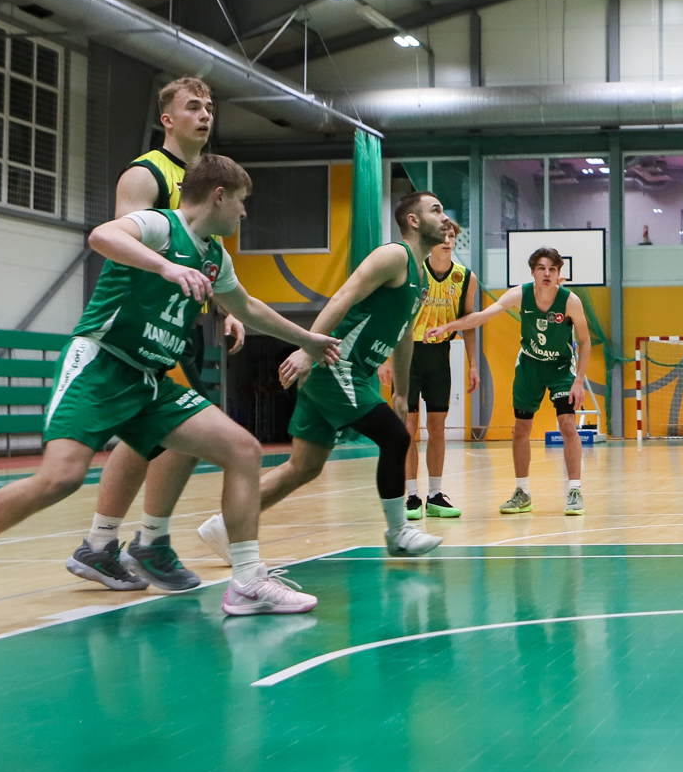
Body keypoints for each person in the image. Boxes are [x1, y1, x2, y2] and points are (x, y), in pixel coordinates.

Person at [0, 156, 335, 626]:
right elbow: (102, 236)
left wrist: (307, 339)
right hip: (100, 364)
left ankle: (248, 582)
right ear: (218, 195)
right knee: (61, 478)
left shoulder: (214, 256)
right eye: (241, 201)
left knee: (243, 450)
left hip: (148, 380)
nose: (244, 213)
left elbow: (246, 305)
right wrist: (165, 268)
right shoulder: (160, 225)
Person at [64, 76, 249, 595]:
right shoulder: (147, 174)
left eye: (210, 106)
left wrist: (224, 307)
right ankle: (136, 542)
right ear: (167, 119)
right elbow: (131, 250)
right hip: (140, 326)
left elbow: (201, 255)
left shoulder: (208, 178)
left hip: (179, 327)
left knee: (160, 437)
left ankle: (111, 544)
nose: (205, 114)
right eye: (193, 107)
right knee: (167, 432)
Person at [198, 191, 448, 562]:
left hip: (350, 374)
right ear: (413, 220)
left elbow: (405, 334)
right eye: (436, 210)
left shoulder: (422, 277)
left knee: (304, 467)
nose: (445, 218)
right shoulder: (393, 255)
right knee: (396, 438)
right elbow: (343, 295)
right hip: (336, 367)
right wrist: (307, 349)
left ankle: (223, 524)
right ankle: (399, 533)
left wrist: (401, 391)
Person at [434, 246, 593, 517]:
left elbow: (585, 340)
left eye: (552, 269)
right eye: (541, 268)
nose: (546, 273)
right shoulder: (520, 294)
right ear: (533, 272)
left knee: (567, 425)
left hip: (560, 368)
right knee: (521, 429)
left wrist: (579, 380)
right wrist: (450, 327)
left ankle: (574, 490)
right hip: (529, 366)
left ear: (559, 275)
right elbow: (484, 315)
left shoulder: (570, 301)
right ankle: (522, 492)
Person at [387, 218, 481, 520]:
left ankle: (436, 494)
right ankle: (411, 495)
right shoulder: (412, 270)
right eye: (442, 235)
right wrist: (386, 358)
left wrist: (473, 365)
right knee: (408, 428)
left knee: (437, 428)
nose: (447, 240)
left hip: (441, 355)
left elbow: (469, 322)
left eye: (451, 235)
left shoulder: (466, 278)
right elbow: (395, 315)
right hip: (407, 354)